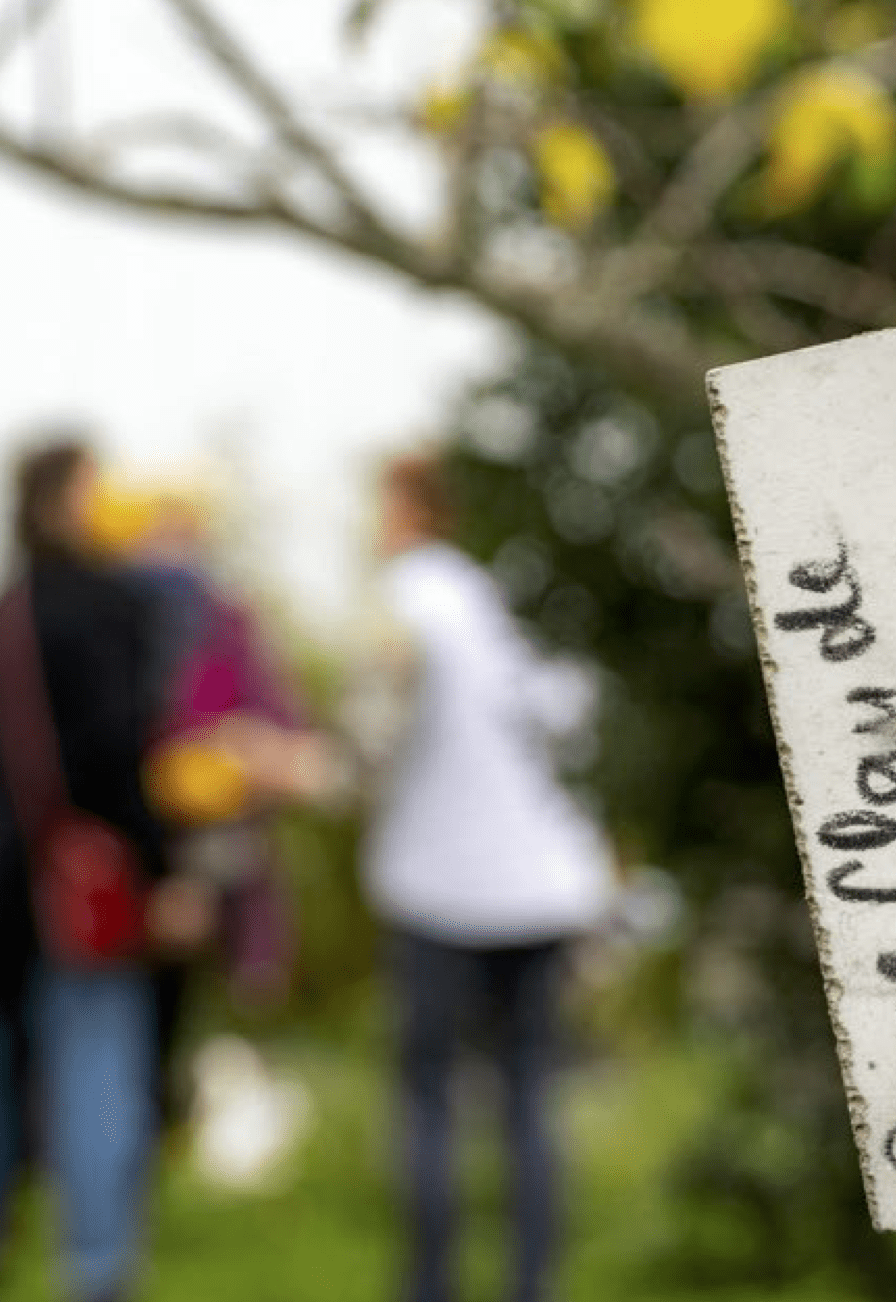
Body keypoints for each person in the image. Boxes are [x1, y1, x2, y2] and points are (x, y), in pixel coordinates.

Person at [352, 454, 613, 1302]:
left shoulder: (409, 596)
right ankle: (531, 1287)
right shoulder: (492, 595)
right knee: (530, 1097)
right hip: (540, 884)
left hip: (442, 889)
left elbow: (377, 723)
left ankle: (429, 1288)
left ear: (407, 509)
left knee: (429, 1096)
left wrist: (329, 766)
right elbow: (565, 711)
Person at [0, 439, 212, 1302]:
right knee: (98, 1068)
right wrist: (164, 866)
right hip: (86, 888)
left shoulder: (4, 609)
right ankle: (98, 1271)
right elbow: (116, 753)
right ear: (65, 503)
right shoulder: (111, 605)